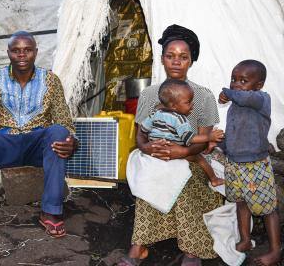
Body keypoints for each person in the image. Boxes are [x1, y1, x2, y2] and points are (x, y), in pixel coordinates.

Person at [0, 30, 78, 246]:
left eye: (27, 50)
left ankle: (50, 212)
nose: (22, 55)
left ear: (35, 52)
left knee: (59, 132)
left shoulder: (50, 80)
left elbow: (64, 121)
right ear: (9, 53)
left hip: (36, 146)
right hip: (5, 144)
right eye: (16, 51)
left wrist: (72, 140)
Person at [119, 24, 223, 266]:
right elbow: (140, 137)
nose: (176, 62)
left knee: (184, 180)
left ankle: (192, 249)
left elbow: (204, 143)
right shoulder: (149, 95)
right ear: (163, 59)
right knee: (151, 178)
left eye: (183, 57)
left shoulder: (204, 96)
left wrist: (182, 152)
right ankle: (139, 247)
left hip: (191, 157)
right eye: (170, 56)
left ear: (191, 61)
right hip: (156, 156)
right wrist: (147, 149)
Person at [219, 60, 281, 266]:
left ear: (259, 85)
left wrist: (227, 91)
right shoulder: (237, 103)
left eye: (243, 80)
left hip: (255, 165)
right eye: (233, 79)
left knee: (268, 208)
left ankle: (275, 250)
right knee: (241, 202)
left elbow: (243, 97)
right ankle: (245, 240)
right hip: (234, 163)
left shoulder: (262, 99)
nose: (236, 84)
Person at [139, 79, 225, 188]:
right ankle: (214, 179)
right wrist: (209, 137)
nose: (192, 104)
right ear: (174, 106)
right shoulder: (179, 119)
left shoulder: (155, 114)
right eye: (188, 102)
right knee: (199, 158)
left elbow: (143, 129)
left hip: (157, 151)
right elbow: (189, 138)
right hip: (173, 151)